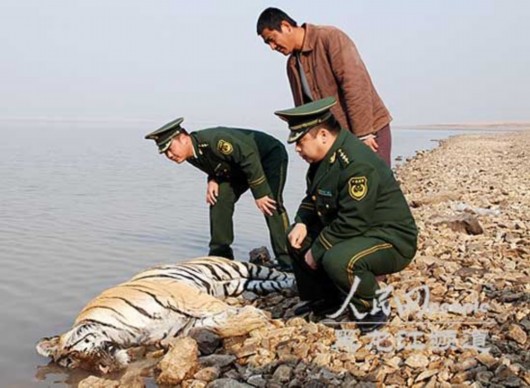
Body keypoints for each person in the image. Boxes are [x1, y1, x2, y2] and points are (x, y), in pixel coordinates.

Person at [274, 97, 417, 333]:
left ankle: (371, 306)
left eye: (300, 142)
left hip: (389, 239)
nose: (297, 149)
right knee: (295, 237)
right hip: (358, 231)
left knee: (338, 259)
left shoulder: (356, 164)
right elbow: (312, 199)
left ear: (322, 135)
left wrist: (317, 250)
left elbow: (353, 220)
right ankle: (324, 299)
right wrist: (300, 222)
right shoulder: (322, 160)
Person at [145, 117, 292, 269]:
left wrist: (260, 193)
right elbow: (216, 162)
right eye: (165, 153)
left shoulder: (215, 140)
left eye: (170, 148)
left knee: (271, 203)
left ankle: (287, 260)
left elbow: (248, 157)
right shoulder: (188, 154)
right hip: (238, 166)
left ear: (183, 138)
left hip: (268, 156)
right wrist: (213, 179)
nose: (169, 155)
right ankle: (220, 255)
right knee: (219, 199)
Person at [257, 7, 393, 167]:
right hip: (335, 140)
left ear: (286, 26)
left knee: (378, 186)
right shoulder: (292, 65)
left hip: (369, 130)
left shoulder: (330, 38)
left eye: (272, 39)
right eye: (268, 44)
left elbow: (356, 85)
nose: (272, 47)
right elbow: (304, 112)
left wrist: (364, 134)